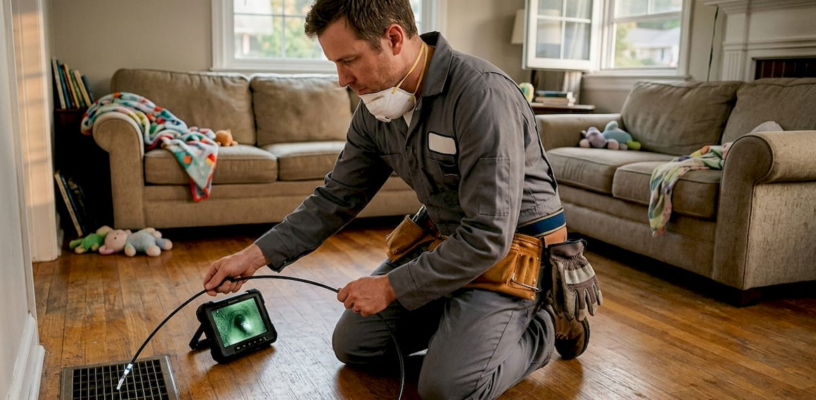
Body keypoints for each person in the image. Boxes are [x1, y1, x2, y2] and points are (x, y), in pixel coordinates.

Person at [203, 0, 591, 398]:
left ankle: (545, 321)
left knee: (446, 389)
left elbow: (488, 235)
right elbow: (334, 198)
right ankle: (463, 331)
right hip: (445, 244)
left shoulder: (481, 96)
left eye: (349, 60)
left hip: (513, 254)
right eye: (335, 63)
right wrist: (253, 256)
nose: (341, 79)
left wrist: (392, 287)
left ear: (393, 38)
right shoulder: (375, 108)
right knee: (354, 345)